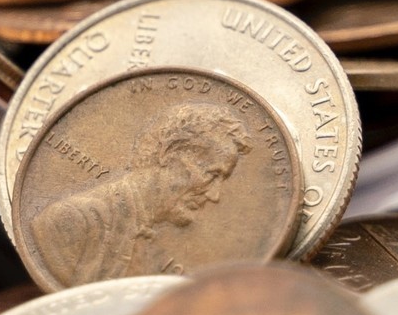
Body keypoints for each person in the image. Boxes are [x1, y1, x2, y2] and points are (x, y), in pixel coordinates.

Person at [32, 96, 253, 284]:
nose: (214, 195)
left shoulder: (144, 237)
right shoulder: (71, 220)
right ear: (170, 154)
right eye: (211, 174)